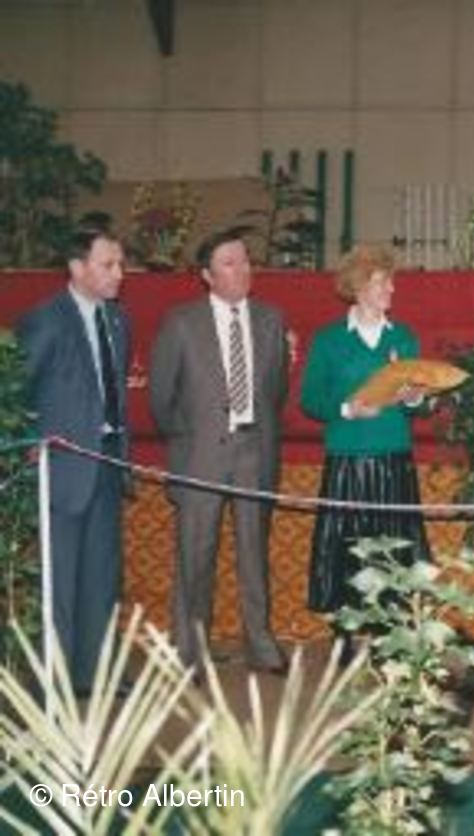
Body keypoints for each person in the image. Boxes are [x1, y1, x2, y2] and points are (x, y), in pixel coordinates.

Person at [149, 229, 288, 675]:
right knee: (195, 555)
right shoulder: (181, 322)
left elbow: (276, 391)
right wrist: (190, 440)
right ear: (207, 275)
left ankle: (260, 643)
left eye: (245, 260)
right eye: (229, 263)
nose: (242, 269)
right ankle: (189, 651)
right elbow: (161, 397)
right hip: (200, 455)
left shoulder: (271, 319)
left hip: (255, 451)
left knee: (254, 554)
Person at [300, 244, 432, 655]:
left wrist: (414, 397)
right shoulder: (329, 340)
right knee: (346, 547)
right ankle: (343, 633)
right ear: (358, 287)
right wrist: (346, 409)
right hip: (347, 458)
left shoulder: (403, 337)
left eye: (390, 282)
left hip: (394, 456)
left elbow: (417, 404)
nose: (391, 289)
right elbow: (310, 399)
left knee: (394, 547)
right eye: (381, 282)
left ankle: (388, 635)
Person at [17, 227, 130, 695]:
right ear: (77, 268)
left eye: (121, 264)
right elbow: (16, 391)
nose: (119, 274)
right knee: (59, 581)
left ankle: (95, 673)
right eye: (108, 264)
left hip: (108, 463)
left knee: (101, 577)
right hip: (61, 470)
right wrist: (27, 445)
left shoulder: (118, 320)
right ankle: (55, 682)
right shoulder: (45, 320)